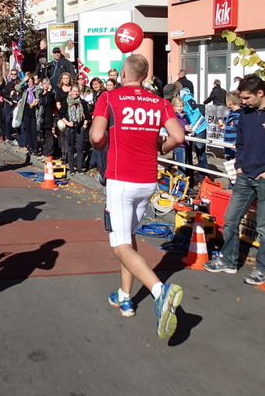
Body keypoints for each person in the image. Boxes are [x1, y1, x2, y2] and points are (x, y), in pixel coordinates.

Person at [89, 54, 185, 339]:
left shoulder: (109, 97)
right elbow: (179, 137)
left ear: (122, 73)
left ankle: (160, 292)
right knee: (128, 238)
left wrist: (105, 140)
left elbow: (96, 137)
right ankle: (125, 296)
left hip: (121, 178)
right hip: (147, 180)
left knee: (119, 245)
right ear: (144, 76)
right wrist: (163, 149)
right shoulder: (160, 102)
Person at [204, 74, 265, 285]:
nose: (243, 102)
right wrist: (239, 166)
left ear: (261, 93)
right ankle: (228, 260)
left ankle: (263, 269)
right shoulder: (246, 114)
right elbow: (241, 142)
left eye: (247, 98)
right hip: (245, 175)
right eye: (241, 98)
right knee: (230, 219)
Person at [176, 82, 210, 187]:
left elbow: (196, 113)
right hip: (189, 129)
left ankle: (204, 180)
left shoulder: (187, 98)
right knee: (188, 154)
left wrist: (192, 126)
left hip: (198, 127)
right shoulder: (179, 100)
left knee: (200, 153)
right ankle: (189, 180)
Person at [58, 84, 90, 174]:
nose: (75, 93)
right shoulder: (66, 102)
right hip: (70, 127)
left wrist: (85, 124)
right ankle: (71, 168)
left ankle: (79, 168)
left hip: (80, 127)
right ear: (70, 91)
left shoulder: (82, 102)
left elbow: (87, 114)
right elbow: (61, 114)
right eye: (74, 91)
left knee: (80, 148)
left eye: (77, 91)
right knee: (70, 147)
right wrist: (68, 123)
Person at [219, 91, 241, 160]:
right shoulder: (230, 114)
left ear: (230, 103)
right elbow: (233, 127)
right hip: (229, 148)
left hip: (235, 149)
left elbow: (241, 130)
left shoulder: (239, 116)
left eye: (226, 101)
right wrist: (224, 127)